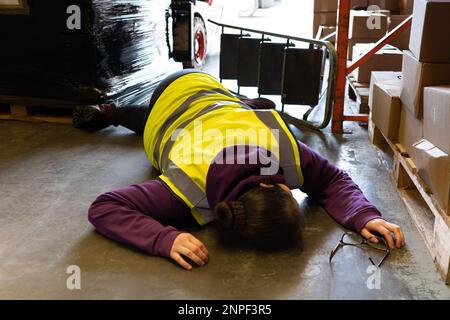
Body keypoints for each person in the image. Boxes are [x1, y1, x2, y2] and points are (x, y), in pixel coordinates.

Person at [76, 70, 405, 270]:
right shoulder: (185, 190)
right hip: (171, 96)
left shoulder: (280, 149)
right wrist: (164, 237)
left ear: (264, 187)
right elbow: (103, 208)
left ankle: (250, 104)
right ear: (264, 185)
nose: (289, 183)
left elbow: (330, 179)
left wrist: (363, 214)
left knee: (242, 109)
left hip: (212, 96)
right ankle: (111, 112)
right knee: (150, 118)